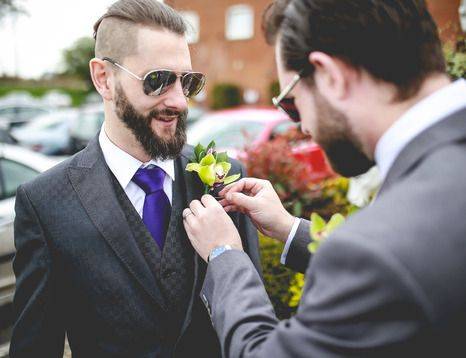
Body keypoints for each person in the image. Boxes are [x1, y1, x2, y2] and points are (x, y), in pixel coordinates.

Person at [182, 0, 466, 356]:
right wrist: (289, 229)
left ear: (330, 75)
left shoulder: (378, 247)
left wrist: (224, 255)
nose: (301, 126)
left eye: (290, 102)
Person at [10, 0, 260, 357]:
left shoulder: (225, 180)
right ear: (104, 78)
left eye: (187, 81)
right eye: (158, 81)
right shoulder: (45, 203)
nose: (179, 101)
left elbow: (253, 320)